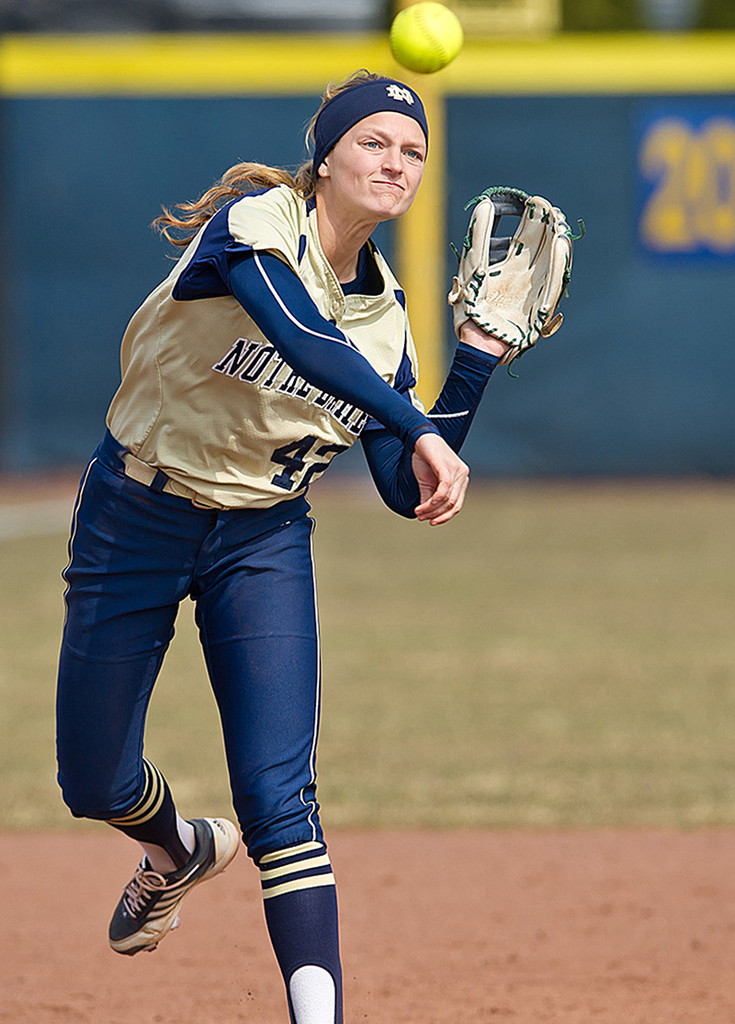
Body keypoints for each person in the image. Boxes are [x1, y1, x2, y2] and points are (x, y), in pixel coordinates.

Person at [55, 69, 511, 1024]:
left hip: (259, 538)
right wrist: (419, 422)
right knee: (91, 778)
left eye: (413, 152)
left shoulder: (387, 330)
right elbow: (302, 336)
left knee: (279, 798)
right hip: (135, 511)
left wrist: (469, 359)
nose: (395, 162)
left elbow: (400, 487)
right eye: (375, 142)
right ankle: (177, 848)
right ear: (327, 155)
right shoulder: (259, 226)